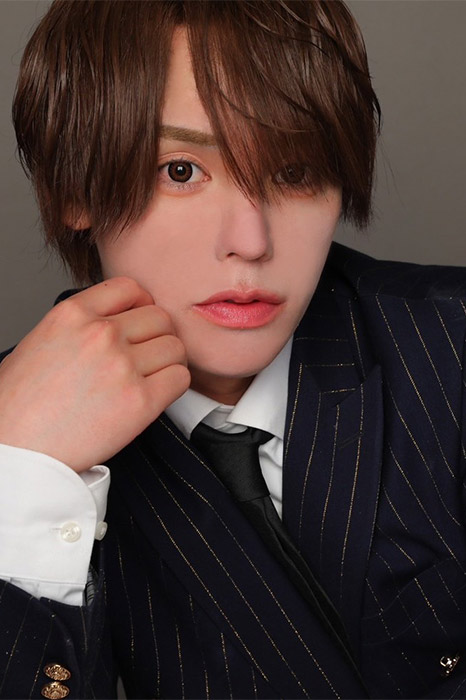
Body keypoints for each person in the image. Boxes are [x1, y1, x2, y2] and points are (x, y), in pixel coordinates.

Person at [0, 1, 465, 698]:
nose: (251, 241)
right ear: (76, 188)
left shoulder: (447, 345)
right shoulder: (11, 444)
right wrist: (23, 477)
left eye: (294, 171)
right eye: (180, 171)